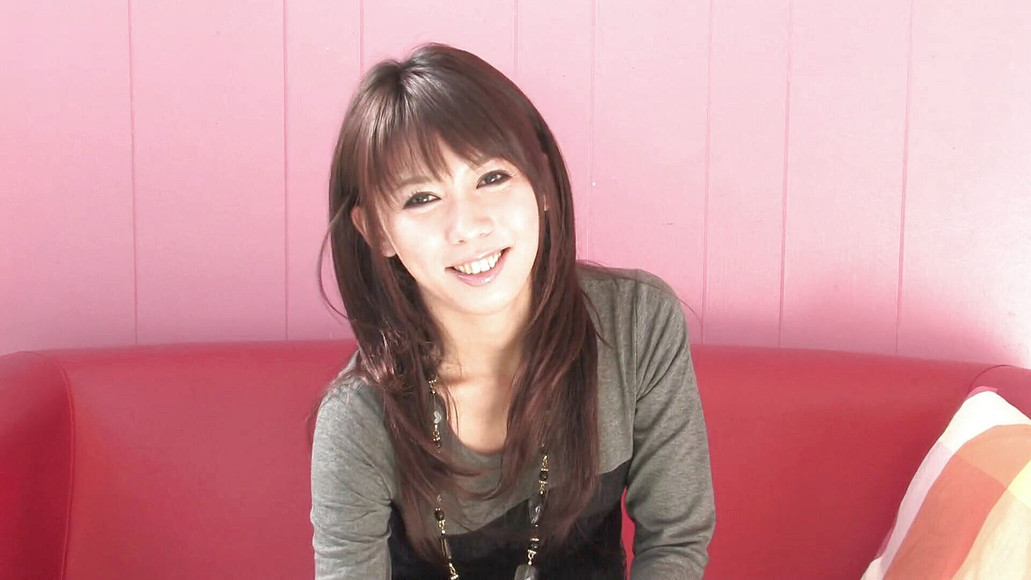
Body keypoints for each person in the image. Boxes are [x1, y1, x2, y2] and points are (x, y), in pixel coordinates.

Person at [310, 43, 714, 579]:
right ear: (377, 231)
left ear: (541, 182)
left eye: (492, 178)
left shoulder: (637, 324)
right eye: (421, 198)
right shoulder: (358, 419)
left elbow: (675, 541)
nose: (467, 226)